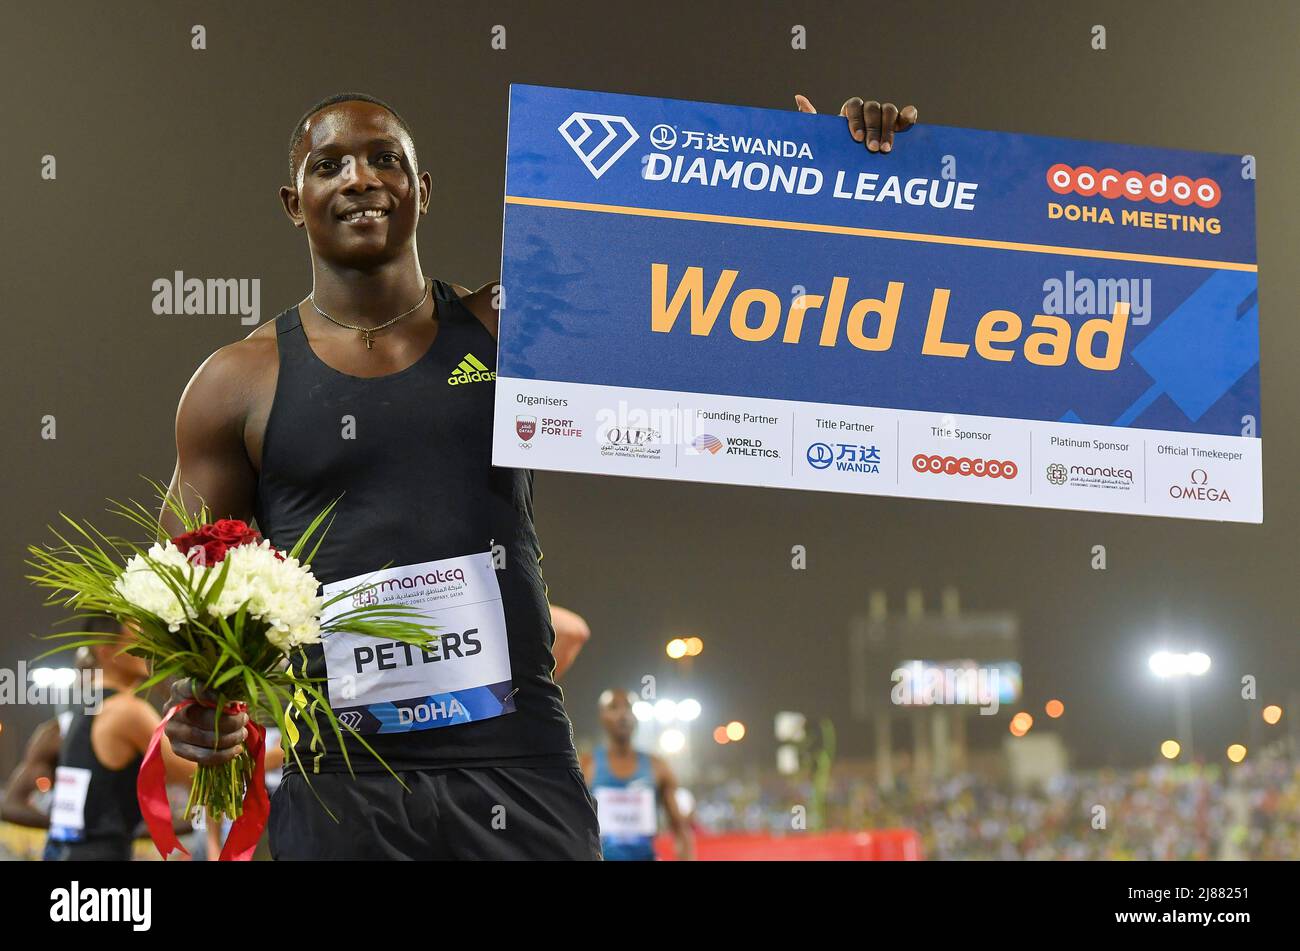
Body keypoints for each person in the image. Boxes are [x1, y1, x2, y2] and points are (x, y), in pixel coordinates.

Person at [160, 90, 915, 860]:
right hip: (345, 786)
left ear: (423, 190)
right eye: (331, 165)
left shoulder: (513, 328)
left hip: (518, 772)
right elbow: (191, 598)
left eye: (385, 158)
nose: (360, 178)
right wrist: (198, 700)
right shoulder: (235, 385)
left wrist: (825, 173)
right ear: (295, 201)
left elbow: (701, 286)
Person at [43, 621, 200, 861]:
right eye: (138, 639)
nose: (149, 647)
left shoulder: (86, 703)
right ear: (105, 650)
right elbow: (192, 774)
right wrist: (267, 756)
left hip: (66, 851)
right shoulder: (129, 711)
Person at [582, 688, 695, 860]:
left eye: (628, 708)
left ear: (636, 717)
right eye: (614, 708)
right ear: (602, 717)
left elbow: (681, 831)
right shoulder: (586, 766)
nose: (623, 715)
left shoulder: (658, 767)